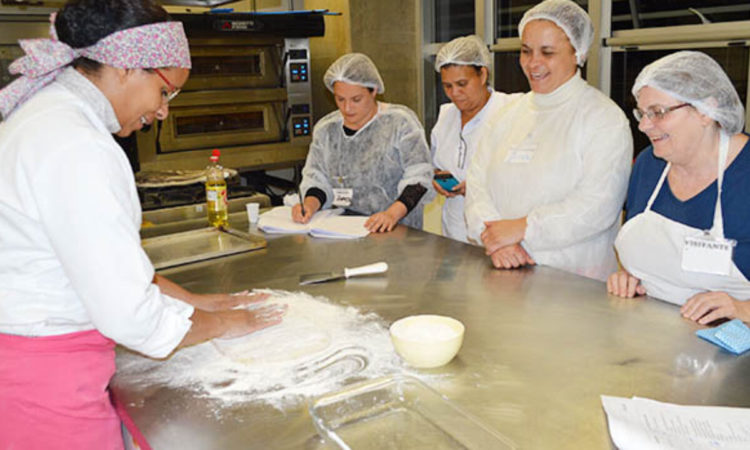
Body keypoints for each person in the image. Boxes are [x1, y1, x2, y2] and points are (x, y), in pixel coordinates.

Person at [0, 1, 285, 448]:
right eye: (167, 91)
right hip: (45, 381)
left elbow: (103, 266)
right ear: (127, 68)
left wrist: (197, 302)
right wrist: (226, 325)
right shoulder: (78, 146)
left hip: (29, 365)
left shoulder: (51, 116)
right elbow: (131, 316)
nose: (163, 111)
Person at [465, 0, 633, 281]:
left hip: (573, 280)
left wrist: (522, 229)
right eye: (526, 51)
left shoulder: (604, 119)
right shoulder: (508, 114)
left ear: (578, 53)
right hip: (503, 272)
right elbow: (477, 184)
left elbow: (597, 205)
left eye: (547, 52)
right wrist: (495, 238)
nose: (533, 63)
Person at [607, 51, 750, 325]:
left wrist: (741, 309)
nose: (643, 125)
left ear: (706, 111)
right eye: (642, 113)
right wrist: (629, 275)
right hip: (652, 336)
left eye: (658, 113)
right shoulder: (649, 164)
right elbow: (634, 245)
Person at [291, 53, 433, 232]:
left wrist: (391, 214)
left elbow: (419, 177)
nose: (347, 108)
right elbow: (317, 179)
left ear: (373, 91)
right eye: (340, 99)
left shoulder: (400, 123)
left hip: (397, 228)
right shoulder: (326, 130)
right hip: (344, 229)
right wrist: (309, 206)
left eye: (356, 99)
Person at [431, 35, 520, 243]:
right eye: (448, 86)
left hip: (497, 234)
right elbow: (436, 163)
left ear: (482, 74)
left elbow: (524, 177)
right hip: (454, 232)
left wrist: (477, 186)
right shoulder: (446, 116)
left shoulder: (511, 111)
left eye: (462, 83)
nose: (455, 93)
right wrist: (438, 177)